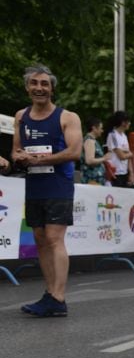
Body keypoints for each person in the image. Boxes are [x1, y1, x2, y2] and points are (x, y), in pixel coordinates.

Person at [13, 65, 82, 317]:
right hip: (34, 187)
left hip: (59, 186)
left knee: (54, 239)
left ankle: (59, 297)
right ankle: (50, 293)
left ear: (52, 88)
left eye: (44, 84)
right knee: (40, 240)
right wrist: (17, 158)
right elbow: (16, 149)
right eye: (34, 83)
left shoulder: (68, 117)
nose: (39, 88)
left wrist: (38, 161)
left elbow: (74, 152)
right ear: (27, 87)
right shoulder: (21, 116)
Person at [80, 117, 112, 185]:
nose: (102, 130)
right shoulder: (90, 141)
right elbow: (89, 160)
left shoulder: (92, 140)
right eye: (101, 128)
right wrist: (104, 158)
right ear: (94, 128)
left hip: (95, 179)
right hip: (92, 179)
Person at [105, 110, 133, 187]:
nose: (129, 123)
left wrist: (131, 173)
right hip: (115, 174)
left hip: (124, 173)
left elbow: (128, 156)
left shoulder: (124, 136)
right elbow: (122, 156)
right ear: (123, 122)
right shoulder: (112, 135)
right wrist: (130, 154)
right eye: (128, 121)